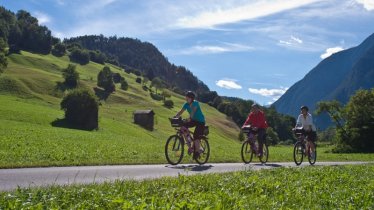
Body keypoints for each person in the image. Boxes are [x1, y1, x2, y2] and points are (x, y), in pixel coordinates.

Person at [174, 91, 206, 159]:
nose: (186, 99)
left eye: (187, 98)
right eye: (186, 98)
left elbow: (193, 113)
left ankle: (198, 151)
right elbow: (181, 112)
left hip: (200, 121)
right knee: (183, 127)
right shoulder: (186, 104)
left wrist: (189, 118)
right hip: (194, 120)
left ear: (192, 98)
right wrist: (175, 117)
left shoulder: (195, 103)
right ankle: (190, 146)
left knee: (196, 136)